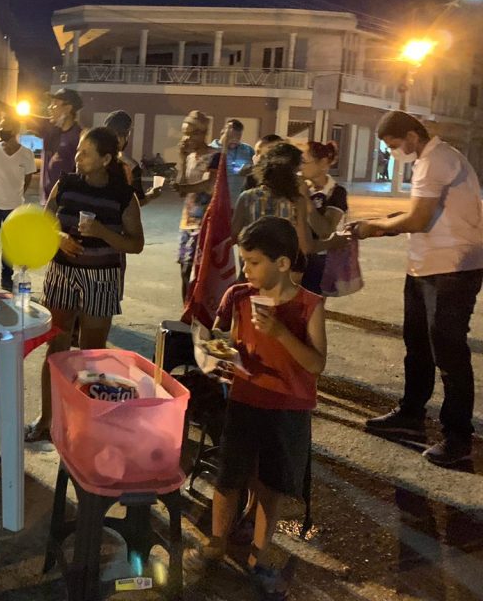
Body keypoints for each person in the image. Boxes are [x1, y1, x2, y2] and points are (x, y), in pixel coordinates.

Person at [196, 217, 326, 597]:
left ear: (282, 263)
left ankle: (258, 556)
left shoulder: (309, 305)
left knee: (271, 486)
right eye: (244, 261)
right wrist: (219, 354)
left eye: (253, 262)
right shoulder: (239, 297)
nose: (245, 270)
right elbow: (235, 345)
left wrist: (281, 333)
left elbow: (316, 364)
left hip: (287, 409)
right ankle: (216, 544)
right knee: (228, 478)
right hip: (245, 399)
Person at [354, 111, 483, 467]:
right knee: (418, 346)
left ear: (412, 135)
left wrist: (374, 227)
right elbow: (420, 212)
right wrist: (384, 222)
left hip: (452, 268)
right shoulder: (432, 159)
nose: (394, 152)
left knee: (449, 353)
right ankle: (410, 414)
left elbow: (418, 219)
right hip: (426, 266)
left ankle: (458, 437)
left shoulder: (436, 160)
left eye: (394, 145)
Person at [25, 126, 144, 442]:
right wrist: (59, 237)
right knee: (56, 348)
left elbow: (136, 244)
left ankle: (83, 424)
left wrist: (102, 232)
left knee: (92, 354)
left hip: (102, 278)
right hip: (62, 274)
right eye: (78, 150)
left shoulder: (123, 195)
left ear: (106, 159)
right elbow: (45, 221)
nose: (78, 157)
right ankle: (47, 419)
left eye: (86, 153)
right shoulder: (66, 184)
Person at [0, 81, 82, 203]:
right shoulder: (49, 128)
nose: (49, 108)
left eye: (55, 104)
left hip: (67, 201)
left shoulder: (79, 137)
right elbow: (16, 113)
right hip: (47, 201)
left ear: (67, 108)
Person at [0, 117, 37, 291]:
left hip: (14, 207)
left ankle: (6, 280)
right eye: (1, 127)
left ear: (16, 130)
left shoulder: (26, 154)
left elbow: (28, 178)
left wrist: (17, 194)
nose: (2, 130)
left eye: (6, 127)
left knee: (9, 246)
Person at [231, 142, 313, 259]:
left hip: (252, 264)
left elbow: (233, 236)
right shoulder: (297, 202)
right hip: (283, 266)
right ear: (292, 174)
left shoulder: (246, 198)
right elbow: (304, 247)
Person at [172, 111, 220, 301]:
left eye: (192, 133)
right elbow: (182, 190)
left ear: (203, 133)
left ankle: (198, 311)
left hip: (205, 222)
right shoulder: (190, 157)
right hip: (187, 222)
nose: (187, 138)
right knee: (184, 269)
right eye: (185, 133)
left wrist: (183, 187)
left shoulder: (215, 156)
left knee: (196, 270)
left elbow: (209, 185)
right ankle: (187, 310)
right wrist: (182, 159)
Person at [300, 141, 349, 295]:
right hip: (295, 258)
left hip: (319, 261)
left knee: (313, 303)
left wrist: (305, 199)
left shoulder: (336, 192)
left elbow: (325, 231)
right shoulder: (300, 185)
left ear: (322, 163)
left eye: (304, 161)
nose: (300, 166)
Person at [102, 110, 163, 206]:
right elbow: (137, 202)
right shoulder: (131, 167)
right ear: (125, 135)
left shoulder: (93, 157)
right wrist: (151, 195)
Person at [213, 119, 255, 203]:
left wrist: (250, 171)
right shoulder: (211, 149)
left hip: (239, 201)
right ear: (222, 132)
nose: (234, 140)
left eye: (238, 138)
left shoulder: (247, 149)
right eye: (231, 137)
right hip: (216, 200)